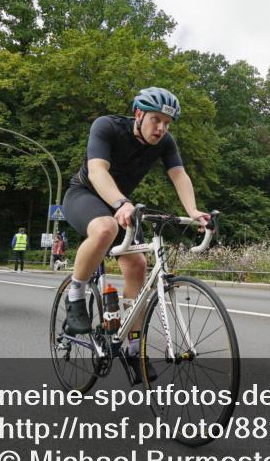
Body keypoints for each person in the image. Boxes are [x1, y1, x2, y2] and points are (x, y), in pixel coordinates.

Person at [61, 86, 211, 336]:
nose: (161, 128)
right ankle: (75, 294)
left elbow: (179, 175)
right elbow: (98, 171)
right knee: (105, 227)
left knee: (138, 265)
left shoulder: (165, 142)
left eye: (167, 123)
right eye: (156, 119)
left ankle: (131, 342)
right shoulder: (107, 126)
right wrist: (121, 203)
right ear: (139, 114)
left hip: (120, 204)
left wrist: (193, 210)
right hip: (85, 194)